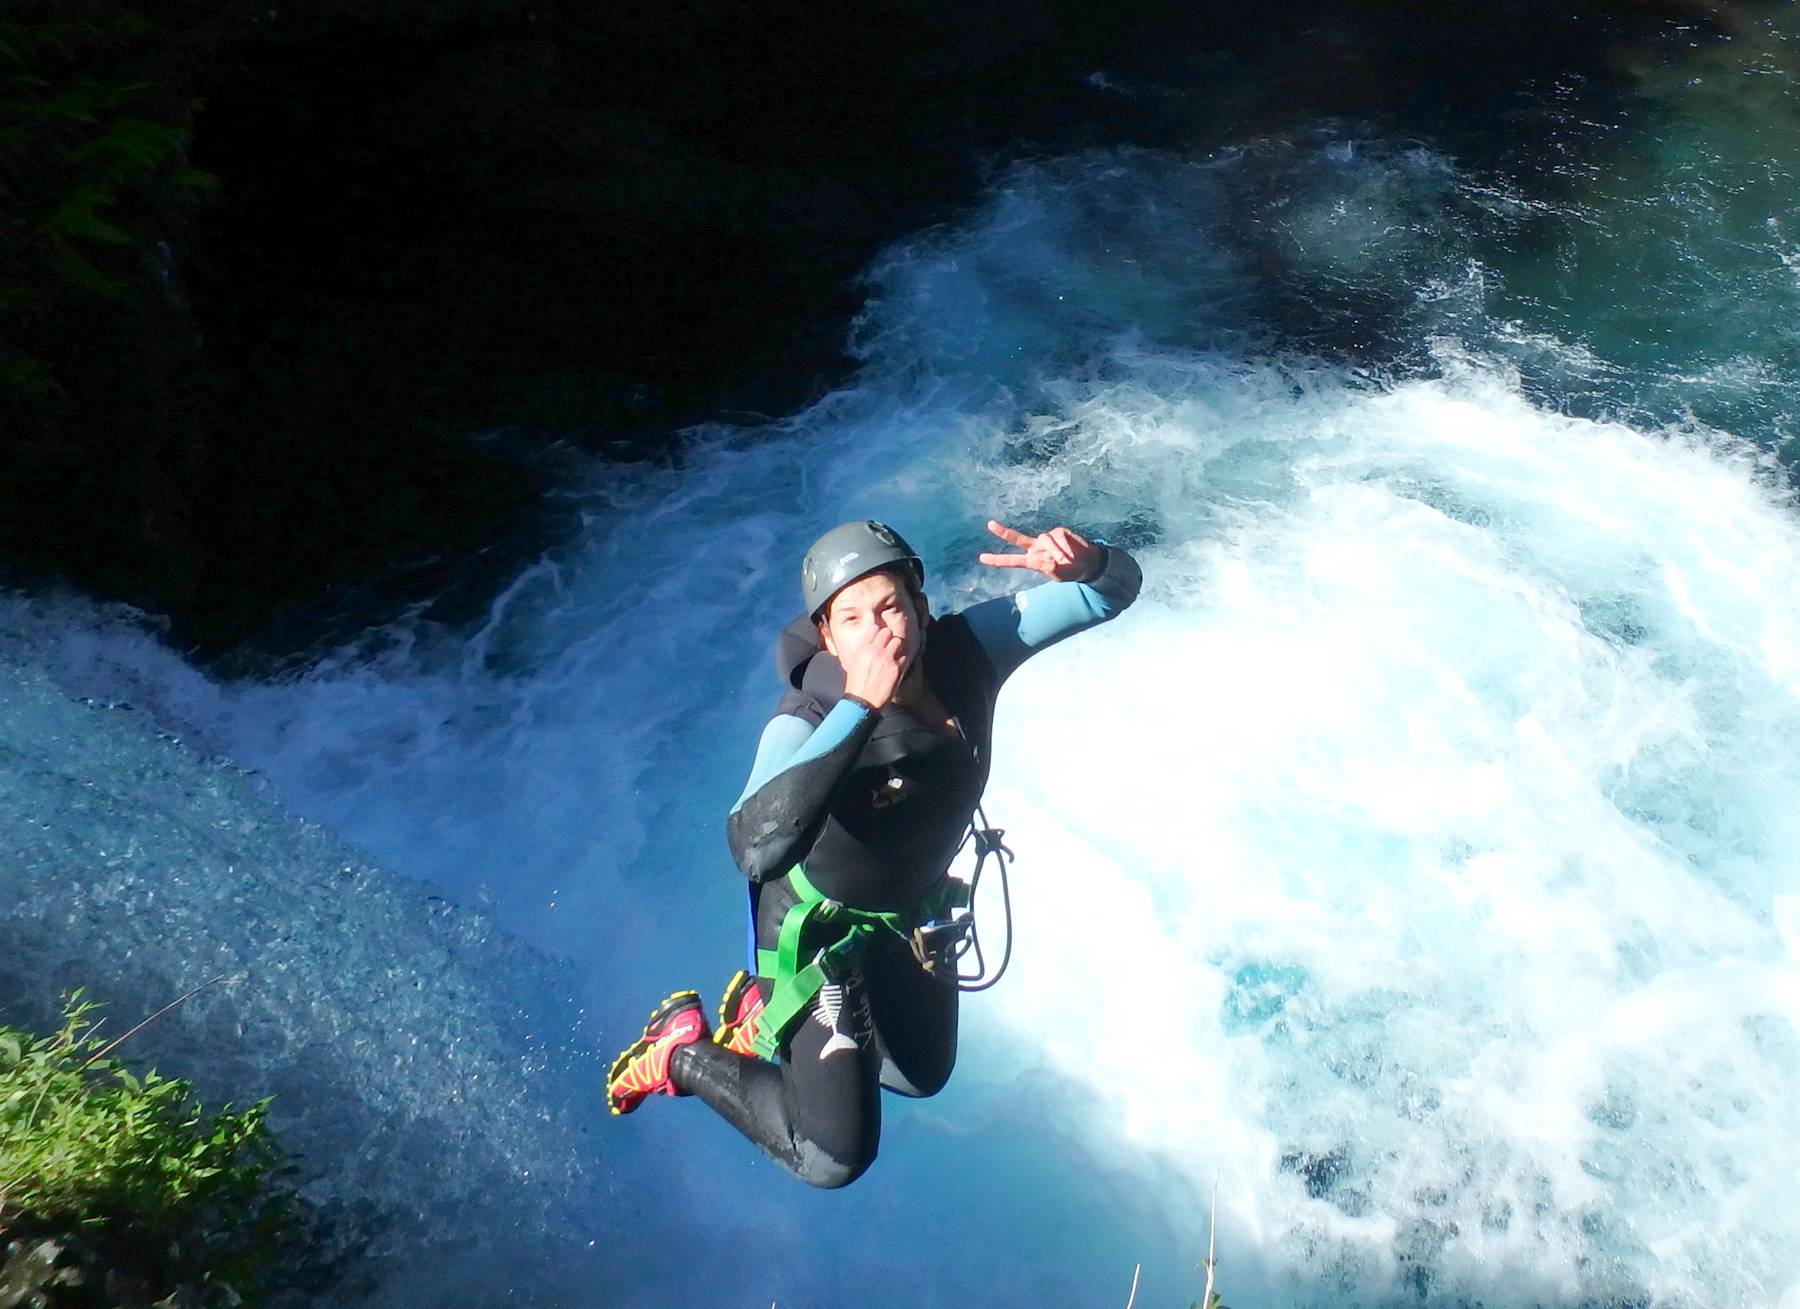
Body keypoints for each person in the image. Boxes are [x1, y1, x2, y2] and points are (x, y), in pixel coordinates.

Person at [605, 517, 1142, 1187]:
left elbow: (1113, 592)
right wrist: (858, 706)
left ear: (920, 609)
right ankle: (682, 1051)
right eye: (853, 618)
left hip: (906, 908)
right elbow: (754, 847)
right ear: (828, 637)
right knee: (833, 1158)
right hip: (817, 935)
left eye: (891, 605)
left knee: (920, 1075)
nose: (880, 629)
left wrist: (1088, 562)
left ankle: (756, 1020)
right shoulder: (806, 713)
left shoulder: (968, 650)